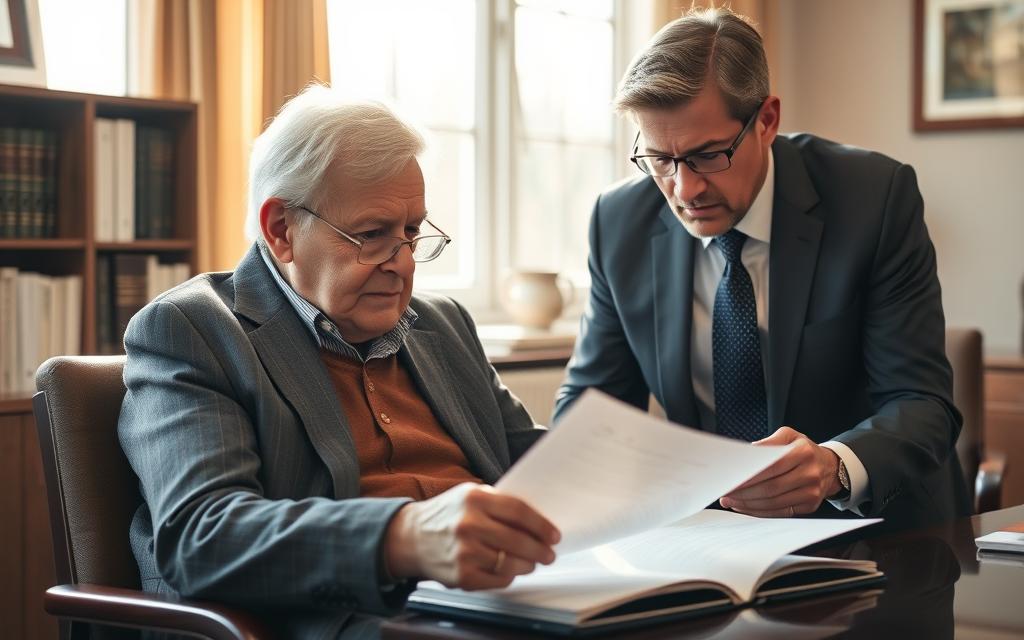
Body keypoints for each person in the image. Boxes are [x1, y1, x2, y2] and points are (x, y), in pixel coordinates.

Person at [117, 85, 559, 638]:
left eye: (412, 232)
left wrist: (649, 473)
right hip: (351, 619)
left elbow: (532, 462)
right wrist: (403, 537)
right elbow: (204, 537)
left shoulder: (442, 324)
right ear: (281, 230)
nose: (401, 262)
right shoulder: (194, 331)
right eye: (372, 236)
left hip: (505, 598)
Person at [554, 7, 970, 529]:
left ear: (767, 120)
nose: (685, 190)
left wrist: (834, 467)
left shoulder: (873, 199)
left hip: (878, 536)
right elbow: (592, 404)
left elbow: (922, 402)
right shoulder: (619, 222)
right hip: (708, 538)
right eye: (661, 159)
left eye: (708, 156)